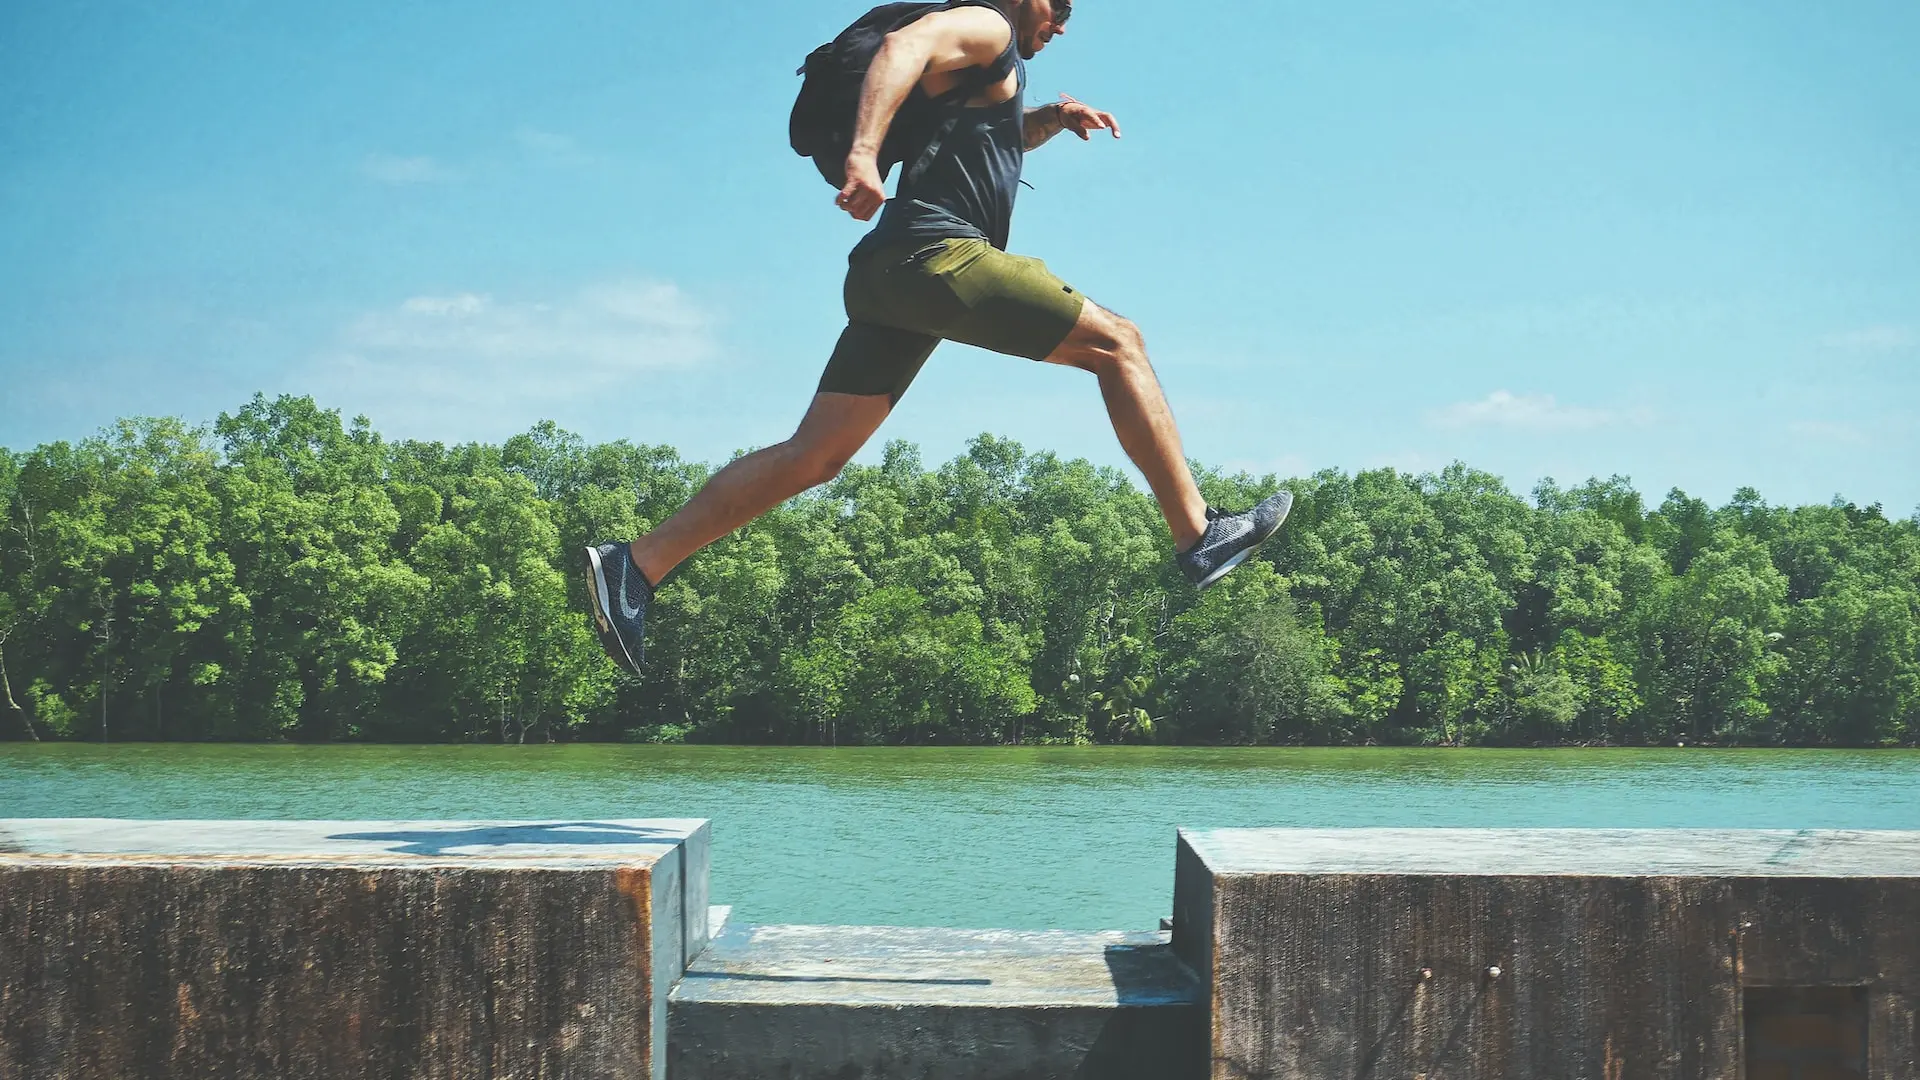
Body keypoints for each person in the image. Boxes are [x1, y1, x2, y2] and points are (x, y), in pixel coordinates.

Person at [585, 0, 1291, 674]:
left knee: (815, 455)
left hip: (887, 278)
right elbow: (905, 45)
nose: (1064, 25)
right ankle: (1199, 535)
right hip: (935, 258)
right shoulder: (986, 24)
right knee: (1119, 343)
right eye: (1062, 8)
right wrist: (864, 156)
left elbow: (988, 141)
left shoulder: (981, 71)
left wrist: (1048, 117)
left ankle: (637, 566)